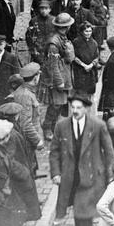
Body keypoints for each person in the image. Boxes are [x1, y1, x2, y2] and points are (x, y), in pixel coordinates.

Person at [51, 92, 114, 226]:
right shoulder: (62, 126)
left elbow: (109, 152)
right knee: (76, 206)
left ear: (86, 109)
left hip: (91, 173)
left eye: (79, 107)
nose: (75, 111)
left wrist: (111, 175)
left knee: (83, 207)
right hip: (70, 175)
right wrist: (56, 172)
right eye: (72, 107)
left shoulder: (97, 125)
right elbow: (54, 151)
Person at [42, 12, 75, 141]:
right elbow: (52, 65)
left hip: (64, 73)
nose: (65, 29)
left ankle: (55, 127)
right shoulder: (53, 43)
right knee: (56, 104)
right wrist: (59, 81)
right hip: (57, 77)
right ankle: (47, 127)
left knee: (61, 104)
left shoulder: (63, 38)